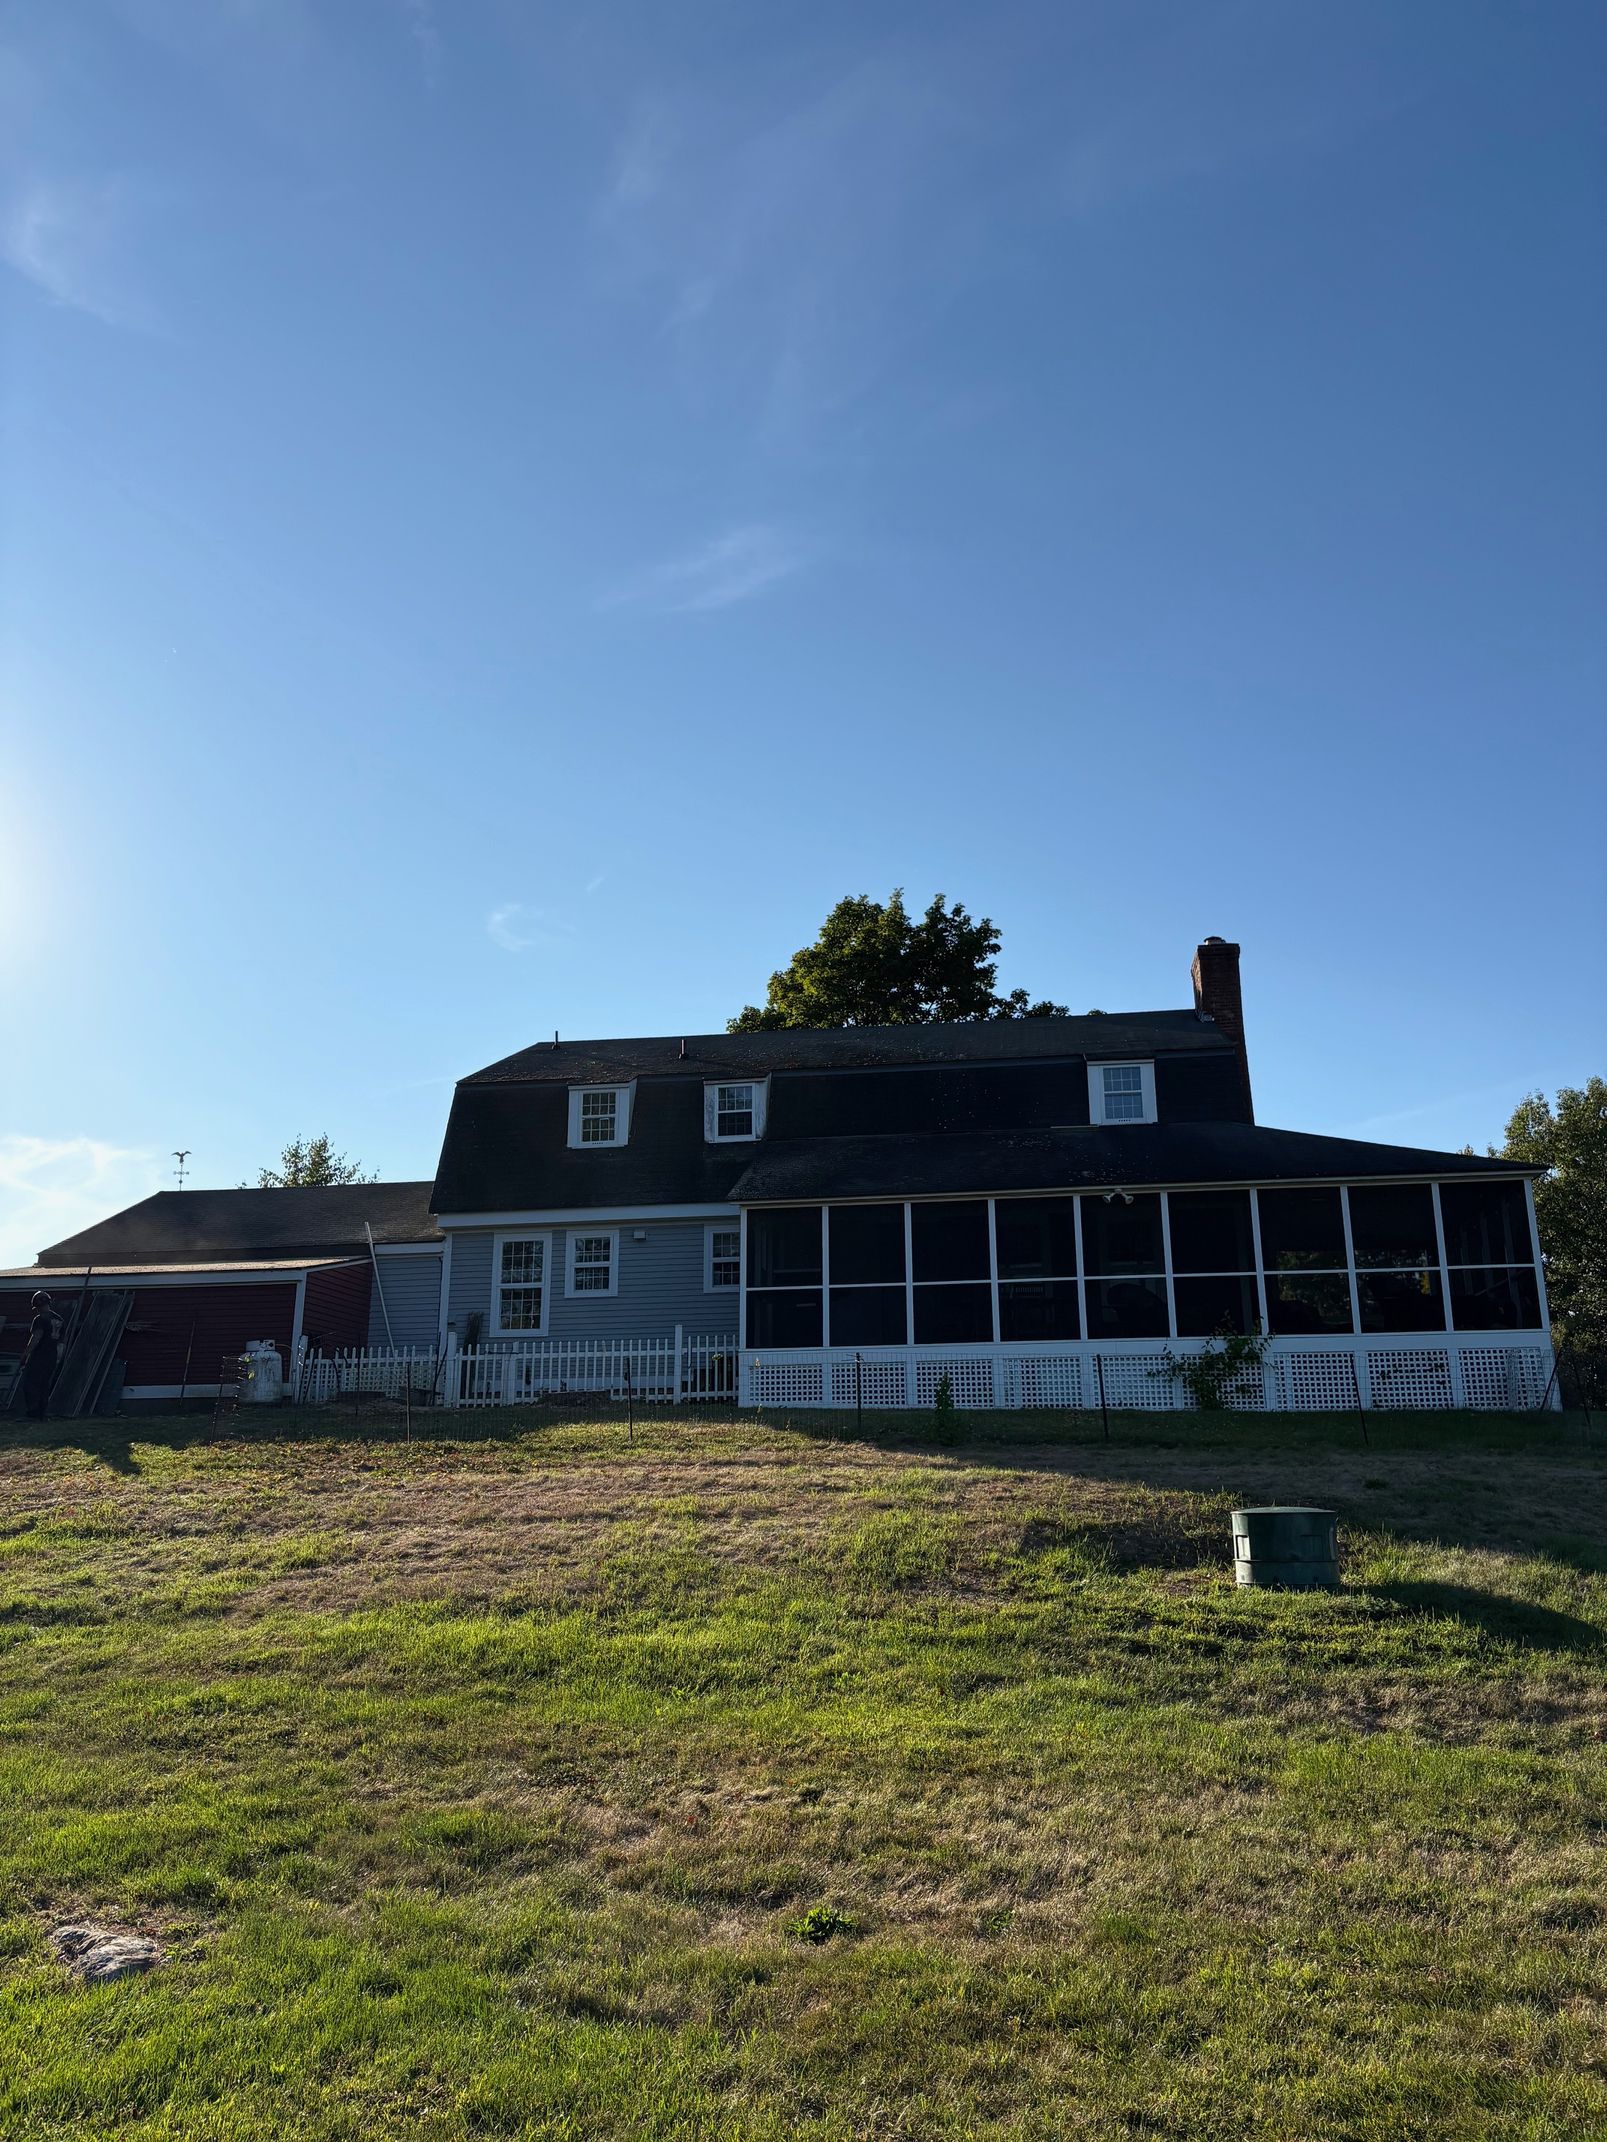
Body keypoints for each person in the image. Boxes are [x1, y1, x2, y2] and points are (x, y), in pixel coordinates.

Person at [21, 1291, 61, 1421]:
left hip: (39, 1356)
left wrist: (25, 1355)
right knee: (44, 1385)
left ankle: (33, 1413)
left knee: (30, 1384)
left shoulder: (40, 1319)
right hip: (52, 1356)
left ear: (37, 1305)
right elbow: (62, 1343)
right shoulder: (59, 1319)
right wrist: (58, 1359)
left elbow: (36, 1338)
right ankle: (42, 1414)